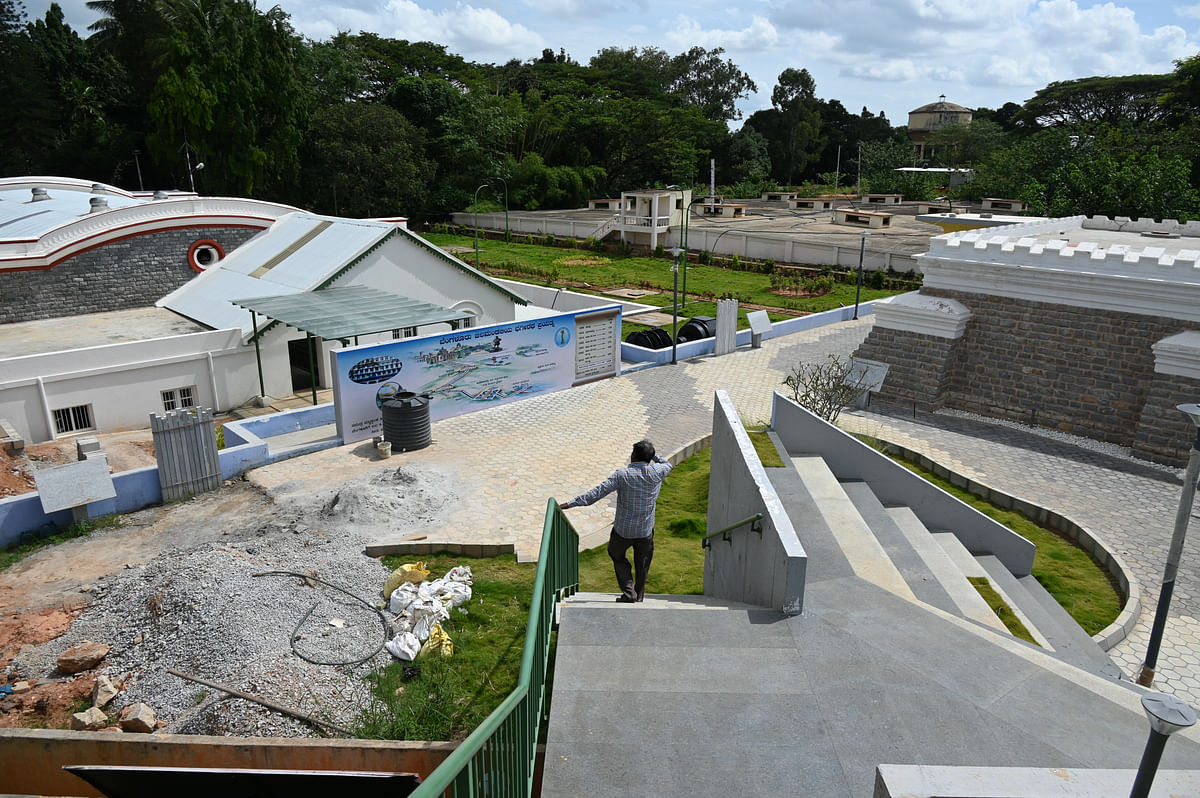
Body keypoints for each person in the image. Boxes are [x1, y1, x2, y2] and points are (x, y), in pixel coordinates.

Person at [560, 440, 673, 603]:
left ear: (634, 455)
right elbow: (666, 463)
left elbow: (596, 494)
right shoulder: (658, 471)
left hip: (622, 532)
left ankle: (629, 592)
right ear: (649, 457)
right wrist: (653, 455)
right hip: (645, 531)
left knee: (616, 554)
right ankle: (639, 595)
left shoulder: (622, 475)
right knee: (643, 563)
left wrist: (569, 504)